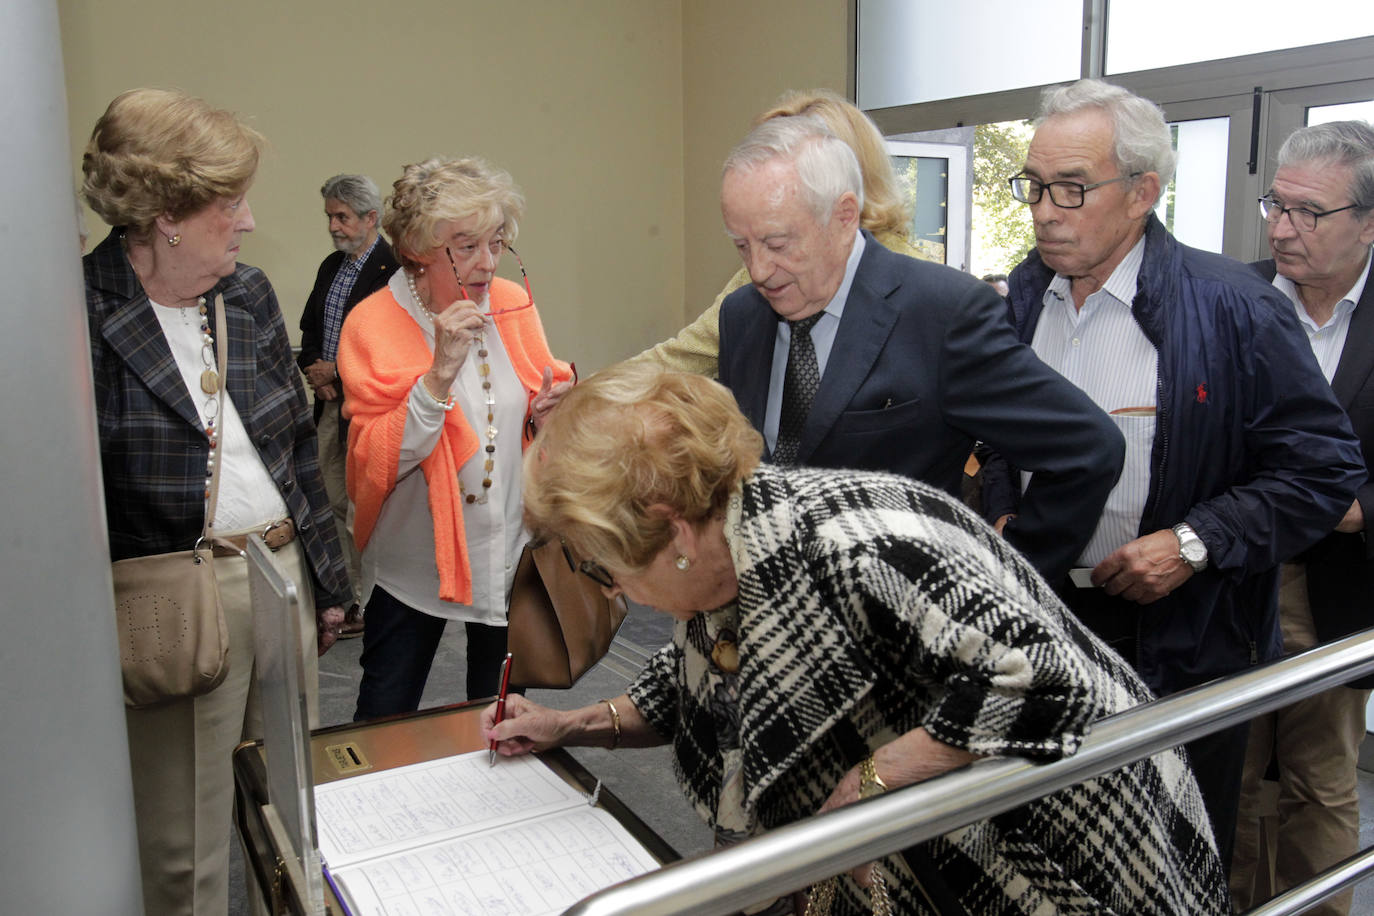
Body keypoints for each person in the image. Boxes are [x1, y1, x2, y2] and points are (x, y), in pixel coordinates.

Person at [484, 365, 1229, 916]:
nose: (612, 591)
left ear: (671, 530)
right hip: (933, 847)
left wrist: (875, 777)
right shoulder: (734, 538)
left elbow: (1047, 677)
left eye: (604, 567)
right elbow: (696, 678)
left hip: (1065, 847)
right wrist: (570, 724)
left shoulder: (854, 548)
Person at [985, 78, 1365, 871]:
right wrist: (997, 509)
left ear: (1142, 193)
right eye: (1034, 186)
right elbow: (994, 440)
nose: (1044, 210)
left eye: (1071, 188)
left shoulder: (1238, 310)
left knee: (1169, 860)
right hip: (1040, 630)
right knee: (1040, 854)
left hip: (1183, 643)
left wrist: (1193, 542)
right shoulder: (1016, 300)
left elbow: (1320, 474)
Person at [81, 88, 350, 916]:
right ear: (166, 211)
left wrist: (330, 582)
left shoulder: (249, 294)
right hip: (174, 601)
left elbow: (293, 447)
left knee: (294, 816)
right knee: (184, 842)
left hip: (281, 574)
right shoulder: (82, 310)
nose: (248, 221)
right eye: (229, 202)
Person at [715, 114, 1125, 583]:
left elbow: (1087, 449)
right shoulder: (742, 315)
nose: (760, 269)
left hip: (899, 633)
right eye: (742, 246)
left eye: (777, 242)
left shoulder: (944, 313)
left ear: (845, 216)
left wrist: (1007, 584)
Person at [338, 157, 573, 720]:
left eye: (496, 242)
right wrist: (438, 376)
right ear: (417, 251)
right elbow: (377, 462)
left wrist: (546, 416)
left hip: (506, 553)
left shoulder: (513, 305)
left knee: (500, 718)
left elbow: (527, 411)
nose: (487, 263)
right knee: (384, 718)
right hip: (415, 562)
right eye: (465, 246)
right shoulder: (373, 323)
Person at [1230, 120, 1374, 914]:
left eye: (1310, 213)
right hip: (1229, 571)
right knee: (1229, 770)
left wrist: (1361, 510)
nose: (1284, 230)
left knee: (1320, 785)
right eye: (1276, 207)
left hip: (1337, 582)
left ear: (1369, 221)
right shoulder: (1234, 298)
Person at [629, 88, 932, 376]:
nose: (761, 270)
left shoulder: (922, 289)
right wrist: (591, 393)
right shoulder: (756, 278)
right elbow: (685, 356)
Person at [298, 174, 397, 638]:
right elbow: (310, 326)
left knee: (361, 505)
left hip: (366, 407)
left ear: (370, 218)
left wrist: (336, 371)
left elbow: (388, 343)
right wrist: (316, 372)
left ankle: (371, 600)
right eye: (329, 217)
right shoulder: (331, 266)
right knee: (329, 498)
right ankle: (349, 596)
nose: (334, 226)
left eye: (342, 216)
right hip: (330, 404)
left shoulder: (392, 269)